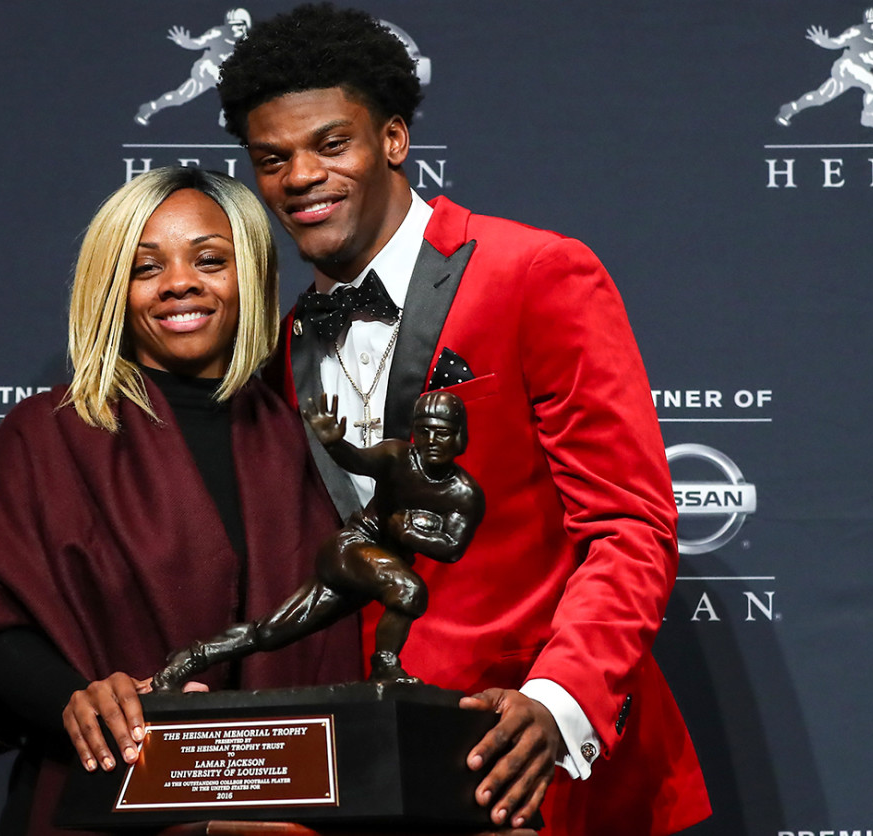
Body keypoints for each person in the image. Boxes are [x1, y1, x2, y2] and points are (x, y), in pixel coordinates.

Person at [214, 5, 711, 835]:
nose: (301, 176)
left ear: (395, 141)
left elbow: (629, 525)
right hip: (382, 774)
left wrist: (558, 701)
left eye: (332, 144)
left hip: (542, 766)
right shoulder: (286, 340)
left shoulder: (537, 273)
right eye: (273, 159)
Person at [0, 166, 359, 836]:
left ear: (249, 274)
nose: (180, 283)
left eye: (210, 260)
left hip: (290, 815)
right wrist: (78, 696)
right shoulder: (52, 434)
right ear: (113, 289)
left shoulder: (310, 445)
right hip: (109, 804)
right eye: (144, 267)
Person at [153, 389, 484, 691]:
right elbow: (359, 460)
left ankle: (189, 659)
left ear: (459, 437)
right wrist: (335, 444)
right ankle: (385, 667)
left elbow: (452, 548)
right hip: (350, 549)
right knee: (409, 589)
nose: (431, 441)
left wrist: (409, 532)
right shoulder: (398, 456)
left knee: (269, 632)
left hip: (371, 576)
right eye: (424, 430)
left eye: (441, 433)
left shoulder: (464, 494)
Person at [776, 6, 873, 130]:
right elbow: (838, 42)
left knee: (820, 97)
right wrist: (825, 42)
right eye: (870, 23)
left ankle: (791, 108)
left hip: (860, 71)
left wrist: (870, 60)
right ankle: (868, 116)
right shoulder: (857, 31)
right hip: (846, 66)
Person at [134, 8, 251, 126]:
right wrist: (186, 42)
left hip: (226, 74)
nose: (233, 28)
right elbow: (199, 42)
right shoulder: (218, 33)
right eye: (231, 25)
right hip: (208, 70)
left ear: (246, 24)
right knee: (182, 97)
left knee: (180, 96)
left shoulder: (250, 41)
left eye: (237, 25)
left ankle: (150, 107)